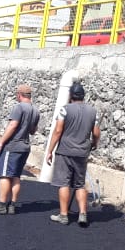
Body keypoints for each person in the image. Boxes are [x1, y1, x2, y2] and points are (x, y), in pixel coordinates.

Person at [46, 82, 100, 227]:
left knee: (63, 183)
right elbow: (96, 133)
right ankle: (83, 214)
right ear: (83, 96)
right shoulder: (93, 111)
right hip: (82, 152)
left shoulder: (65, 110)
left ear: (71, 96)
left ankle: (63, 215)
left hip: (65, 151)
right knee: (80, 184)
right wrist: (94, 143)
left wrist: (50, 150)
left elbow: (58, 131)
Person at [0, 84, 40, 215]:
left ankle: (2, 205)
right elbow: (33, 131)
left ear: (19, 94)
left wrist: (1, 142)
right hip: (25, 146)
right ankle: (12, 205)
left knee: (4, 174)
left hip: (13, 146)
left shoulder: (19, 107)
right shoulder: (36, 111)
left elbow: (13, 125)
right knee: (16, 176)